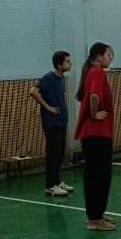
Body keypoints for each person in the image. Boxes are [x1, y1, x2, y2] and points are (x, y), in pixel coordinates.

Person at [75, 43, 116, 230]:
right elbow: (94, 96)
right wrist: (94, 114)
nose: (110, 59)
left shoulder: (90, 71)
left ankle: (96, 214)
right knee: (99, 176)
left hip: (92, 134)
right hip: (97, 133)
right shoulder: (98, 72)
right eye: (108, 55)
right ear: (99, 56)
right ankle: (94, 219)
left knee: (95, 175)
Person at [29, 51, 75, 197]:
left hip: (61, 120)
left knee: (60, 154)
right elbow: (33, 91)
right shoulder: (49, 77)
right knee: (53, 154)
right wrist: (48, 107)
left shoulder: (62, 78)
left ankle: (56, 181)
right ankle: (49, 186)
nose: (70, 63)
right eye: (67, 61)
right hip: (51, 122)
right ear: (59, 65)